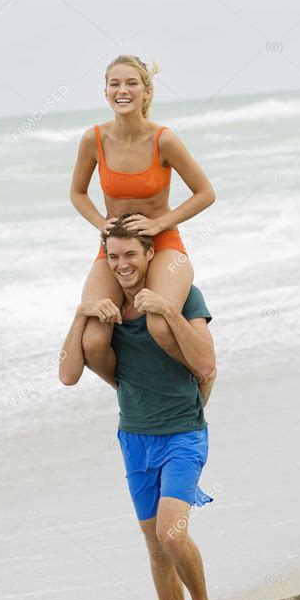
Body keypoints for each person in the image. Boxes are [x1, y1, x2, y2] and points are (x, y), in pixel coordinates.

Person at [59, 215, 219, 600]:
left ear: (151, 255)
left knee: (172, 533)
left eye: (131, 254)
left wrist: (166, 310)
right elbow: (68, 375)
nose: (123, 264)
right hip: (134, 439)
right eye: (114, 257)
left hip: (184, 434)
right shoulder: (105, 311)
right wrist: (80, 313)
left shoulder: (184, 296)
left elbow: (206, 364)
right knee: (155, 546)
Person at [69, 54, 216, 402]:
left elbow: (206, 193)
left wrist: (159, 223)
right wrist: (101, 224)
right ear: (105, 92)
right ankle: (134, 390)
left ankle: (200, 378)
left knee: (159, 324)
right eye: (115, 83)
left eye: (132, 83)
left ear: (146, 92)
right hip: (116, 248)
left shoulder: (163, 139)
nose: (123, 90)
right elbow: (77, 193)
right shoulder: (94, 139)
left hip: (163, 243)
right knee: (93, 340)